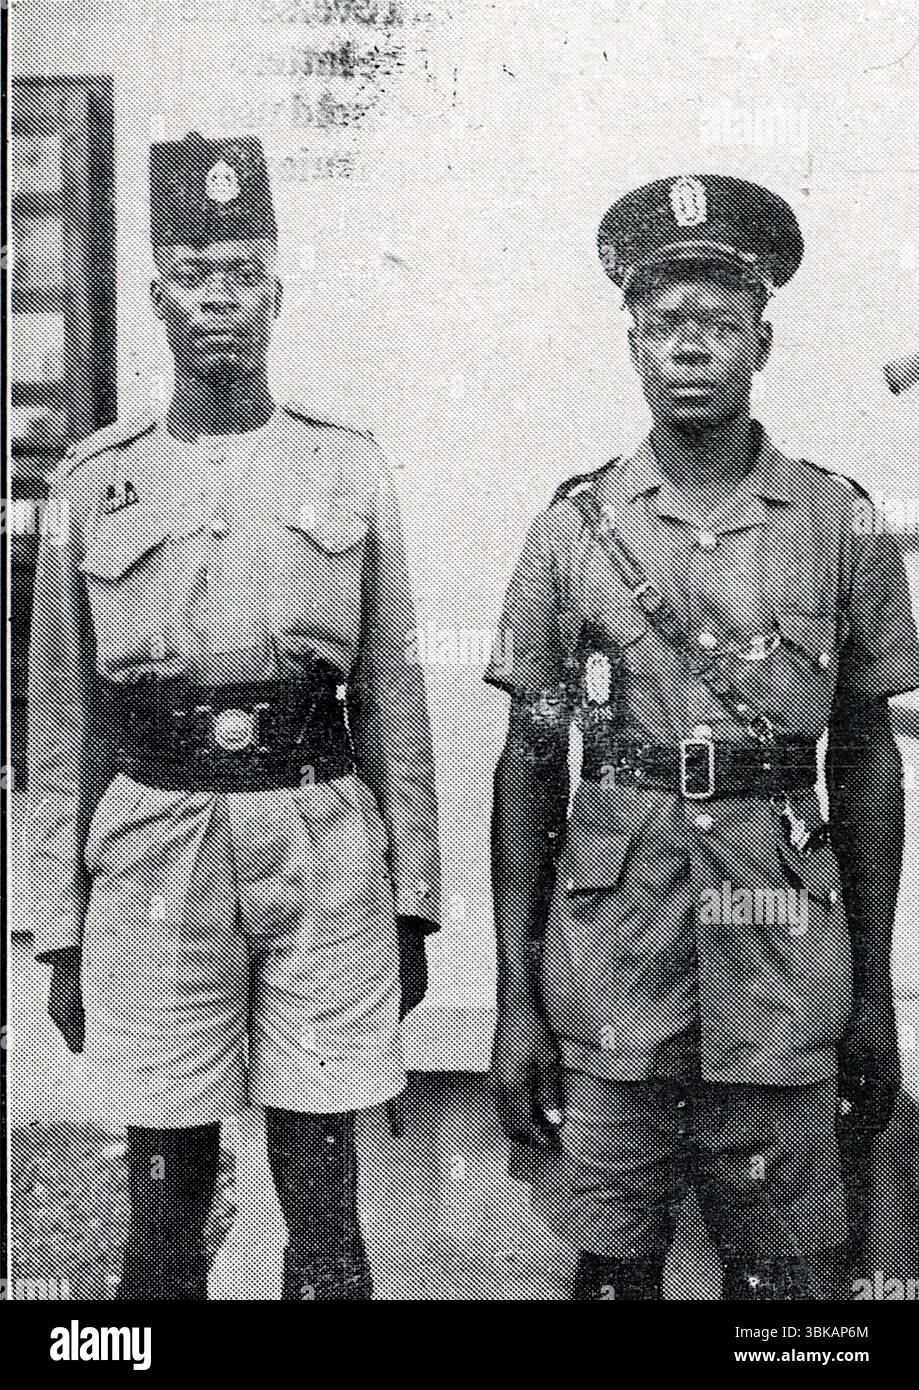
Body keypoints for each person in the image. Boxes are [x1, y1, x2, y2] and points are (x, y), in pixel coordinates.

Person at [485, 174, 919, 1300]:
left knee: (789, 1290)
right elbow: (532, 765)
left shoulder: (839, 521)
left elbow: (866, 757)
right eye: (666, 324)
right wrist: (514, 1004)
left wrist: (871, 996)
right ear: (630, 340)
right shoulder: (571, 531)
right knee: (612, 1274)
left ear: (761, 342)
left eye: (718, 325)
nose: (691, 348)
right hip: (609, 975)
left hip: (782, 973)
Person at [26, 131, 440, 1301]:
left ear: (277, 290)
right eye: (196, 274)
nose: (221, 296)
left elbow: (395, 698)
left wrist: (412, 902)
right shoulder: (94, 482)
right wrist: (57, 926)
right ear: (156, 297)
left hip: (322, 855)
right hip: (155, 856)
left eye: (244, 271)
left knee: (324, 1205)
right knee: (162, 1206)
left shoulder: (347, 467)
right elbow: (63, 725)